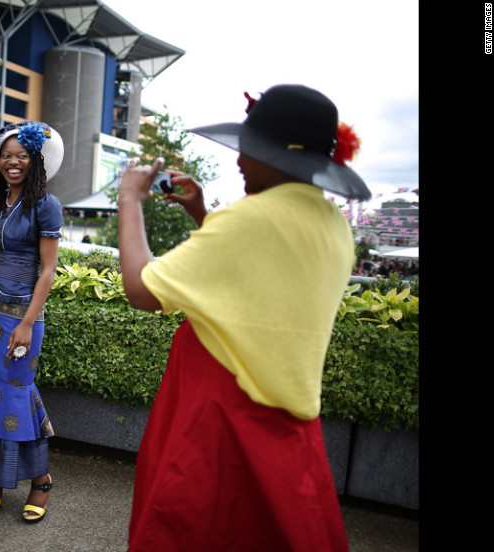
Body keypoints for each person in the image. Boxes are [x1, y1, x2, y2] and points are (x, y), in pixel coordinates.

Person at [117, 84, 368, 551]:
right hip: (288, 436)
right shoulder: (334, 224)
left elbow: (140, 288)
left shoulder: (251, 220)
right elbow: (256, 271)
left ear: (277, 154)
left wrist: (130, 201)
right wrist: (201, 212)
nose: (238, 161)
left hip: (218, 429)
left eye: (248, 150)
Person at [0, 121, 64, 523]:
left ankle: (40, 479)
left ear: (34, 160)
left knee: (17, 391)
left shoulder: (46, 204)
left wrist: (27, 322)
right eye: (6, 155)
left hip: (21, 315)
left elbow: (48, 270)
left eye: (21, 155)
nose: (12, 162)